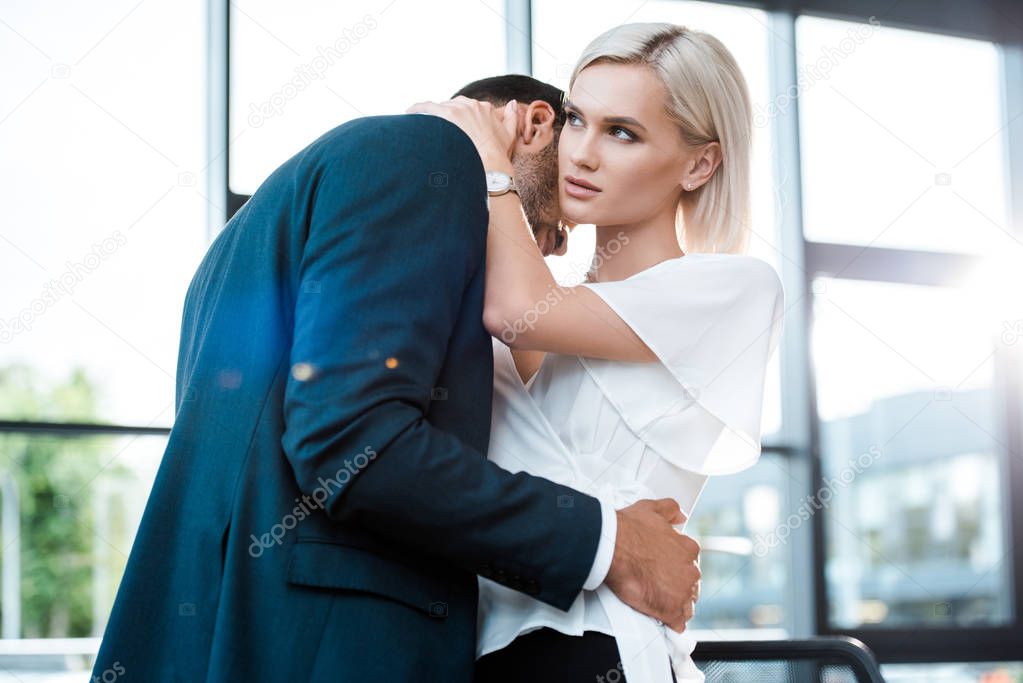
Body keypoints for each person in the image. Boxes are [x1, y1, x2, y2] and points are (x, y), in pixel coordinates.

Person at [89, 63, 703, 683]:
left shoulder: (247, 232)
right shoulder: (424, 155)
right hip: (320, 644)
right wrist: (608, 543)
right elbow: (349, 438)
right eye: (559, 226)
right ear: (537, 123)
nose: (558, 247)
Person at [408, 22, 785, 682]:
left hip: (602, 646)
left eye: (622, 132)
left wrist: (487, 162)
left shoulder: (731, 288)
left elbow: (515, 313)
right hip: (490, 654)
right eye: (577, 119)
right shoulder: (554, 307)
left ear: (699, 163)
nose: (580, 153)